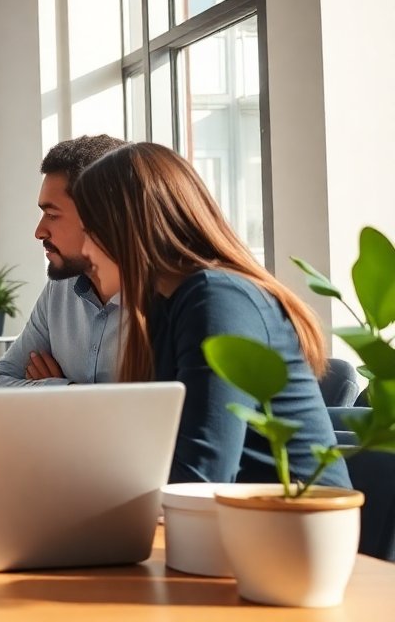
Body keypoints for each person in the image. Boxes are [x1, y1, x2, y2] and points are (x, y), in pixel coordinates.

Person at [70, 142, 350, 487]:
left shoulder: (216, 298)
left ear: (127, 227)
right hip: (227, 515)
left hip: (289, 518)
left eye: (91, 232)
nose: (83, 250)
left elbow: (201, 477)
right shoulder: (165, 306)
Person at [0, 135, 126, 387]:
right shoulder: (60, 290)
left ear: (101, 217)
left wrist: (57, 397)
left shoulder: (172, 300)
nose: (39, 232)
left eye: (52, 215)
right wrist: (63, 391)